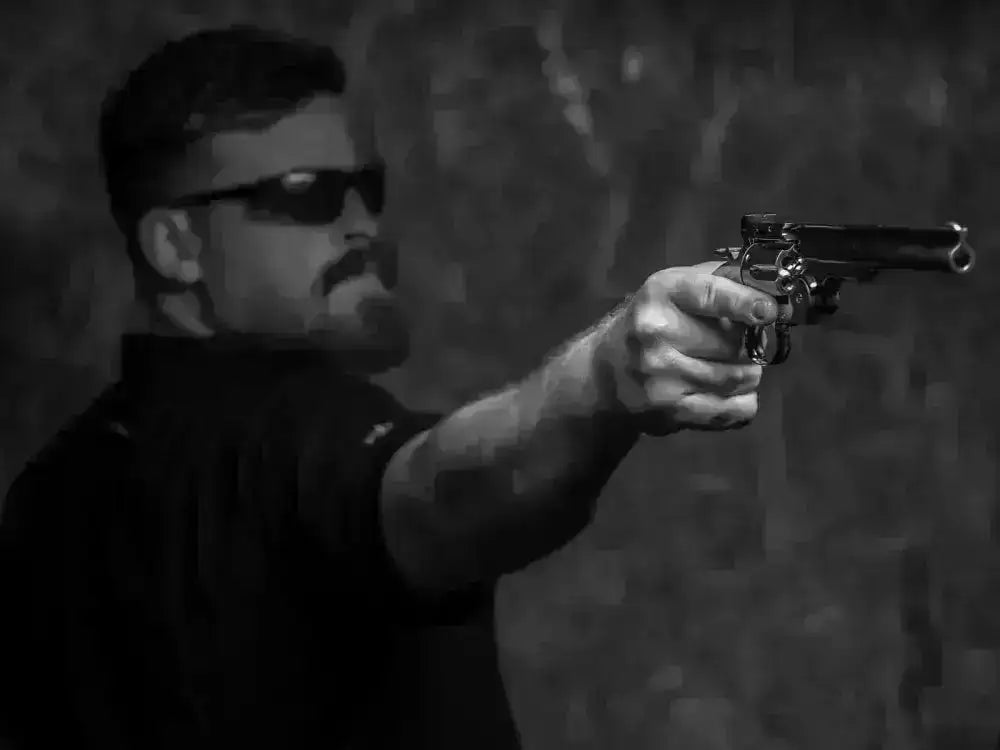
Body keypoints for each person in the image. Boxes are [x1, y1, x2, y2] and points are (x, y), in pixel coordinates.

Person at [0, 24, 777, 750]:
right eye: (306, 193)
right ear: (175, 244)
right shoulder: (298, 427)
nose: (359, 224)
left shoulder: (42, 496)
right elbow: (438, 498)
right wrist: (600, 380)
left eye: (365, 188)